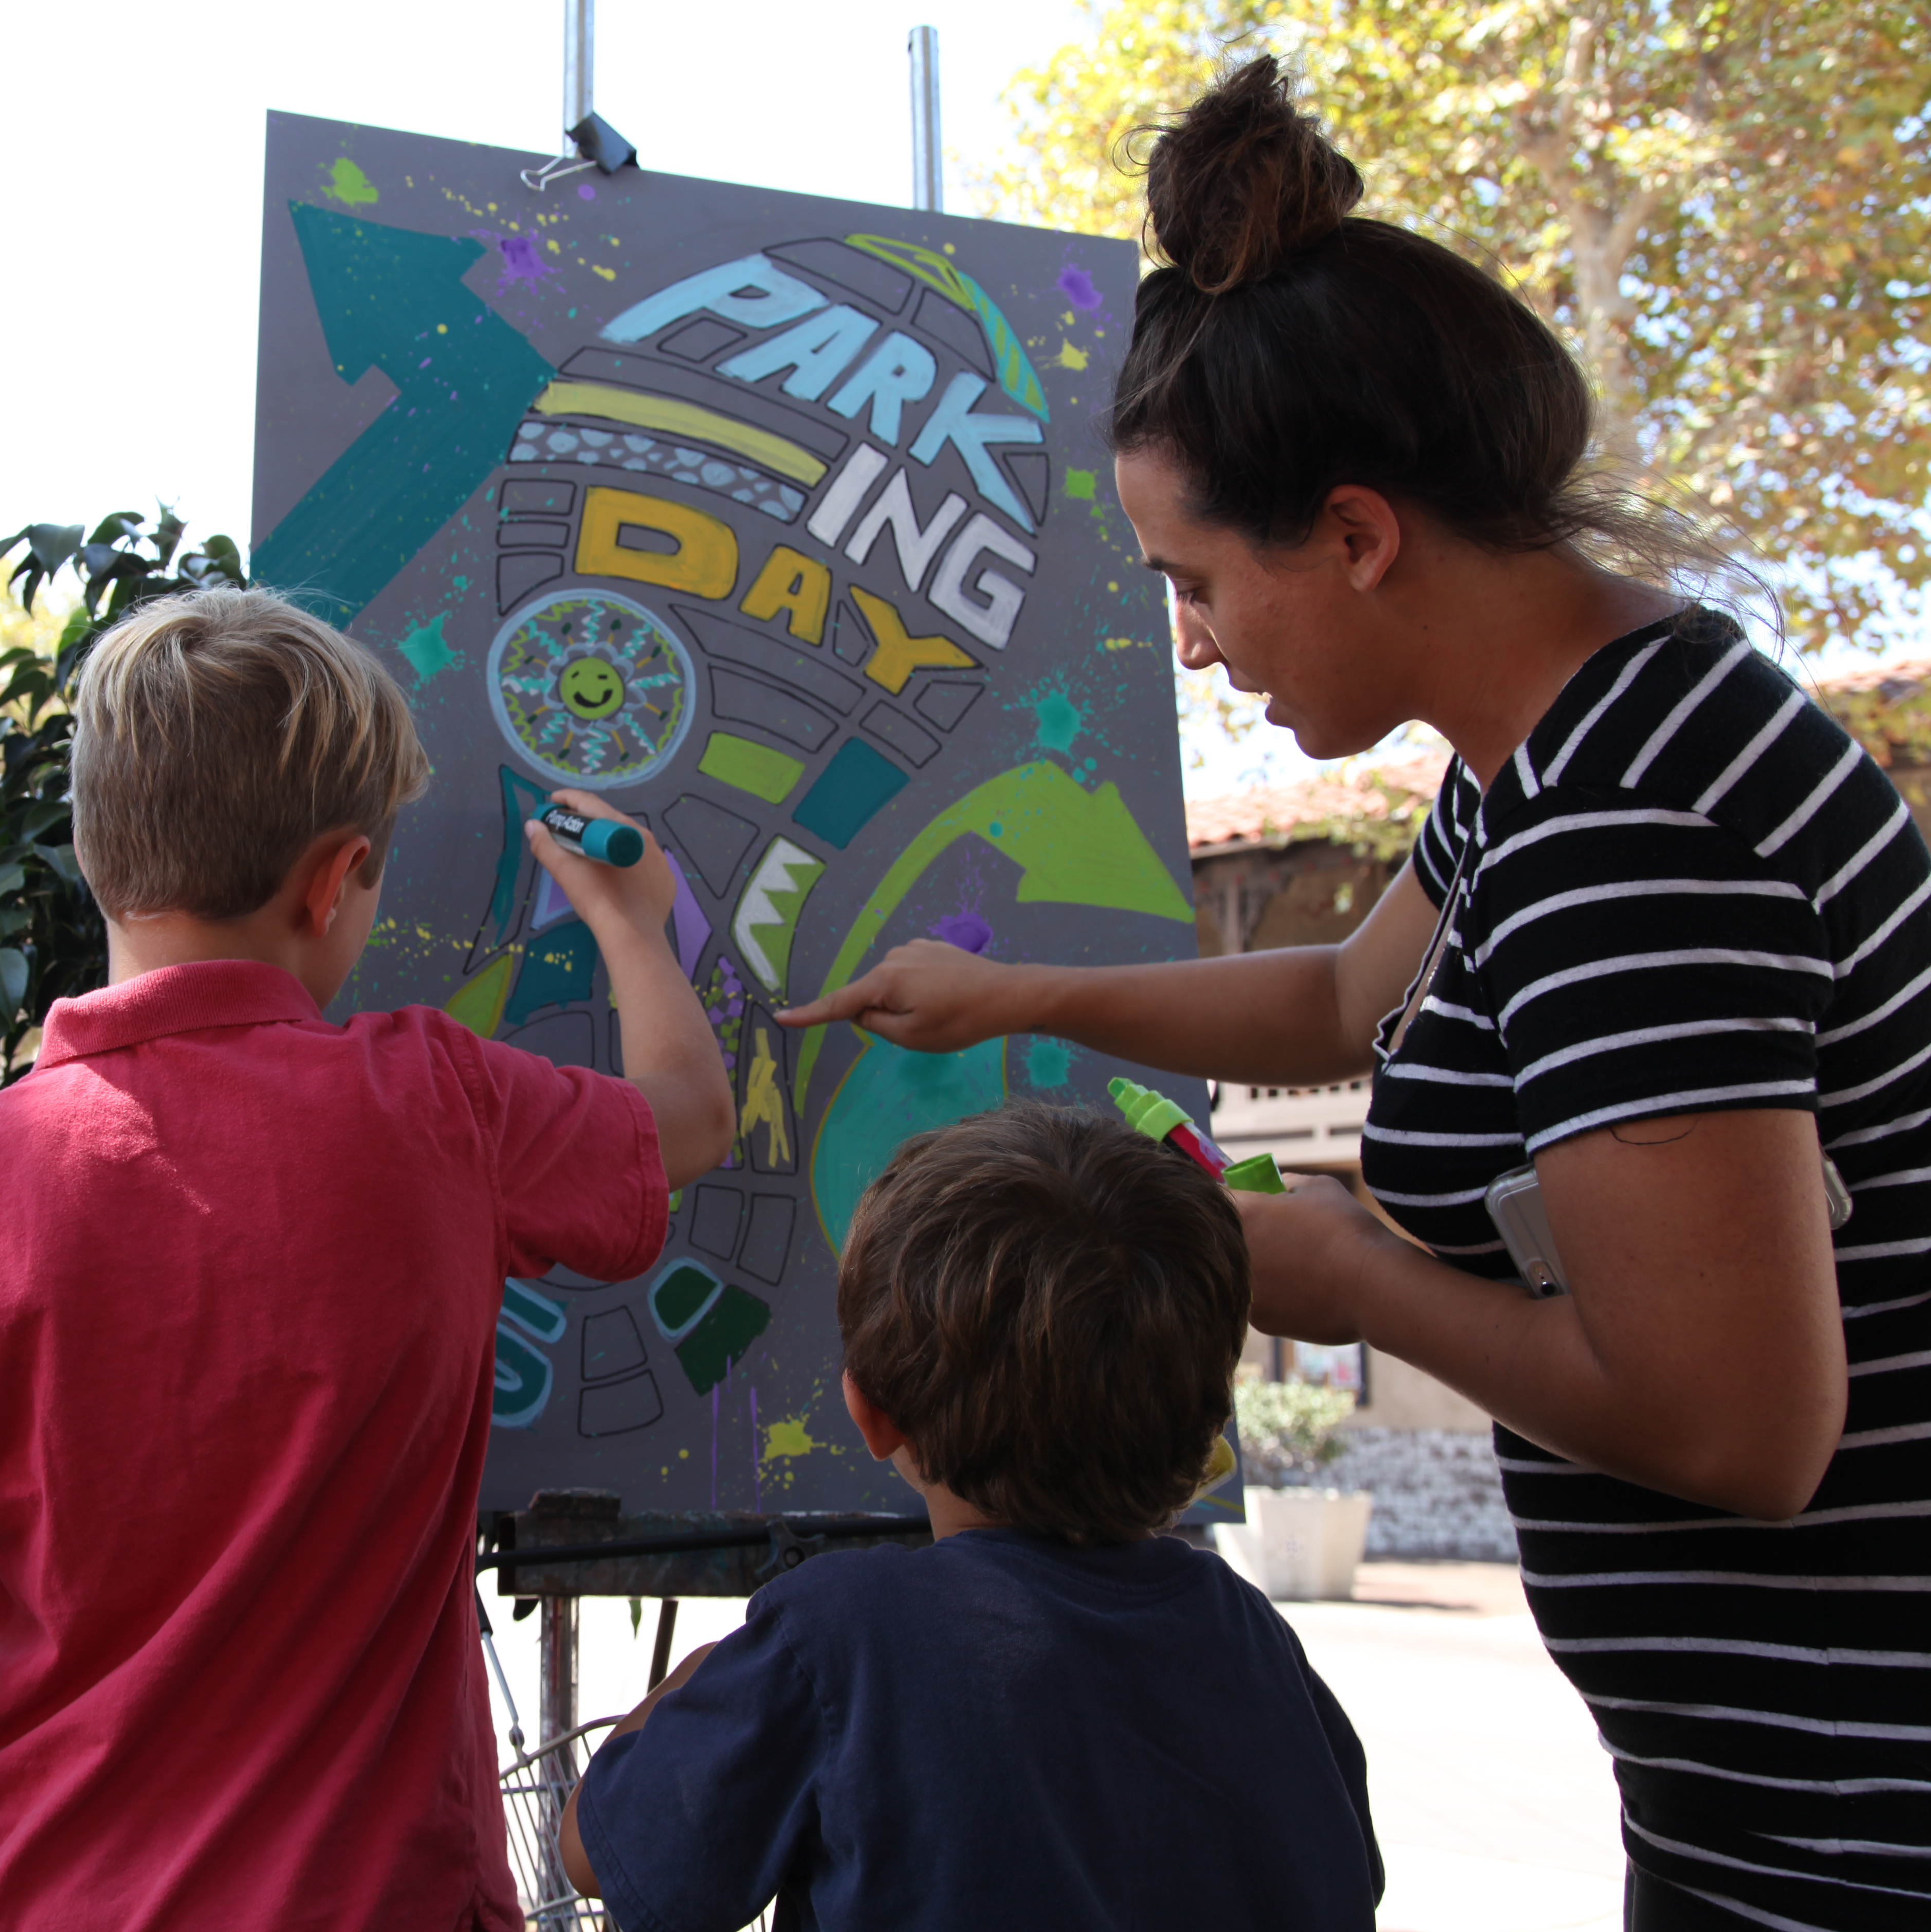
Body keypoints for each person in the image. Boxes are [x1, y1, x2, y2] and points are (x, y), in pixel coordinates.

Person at [777, 57, 1931, 1932]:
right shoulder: (1555, 755)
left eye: (1195, 582)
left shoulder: (1623, 831)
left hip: (1854, 1817)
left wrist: (1350, 1275)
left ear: (1356, 534)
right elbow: (1335, 999)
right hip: (1770, 1800)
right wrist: (1004, 995)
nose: (1190, 643)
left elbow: (1739, 1428)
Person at [0, 587, 735, 1932]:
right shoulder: (439, 1106)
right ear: (333, 880)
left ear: (98, 848)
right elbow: (690, 1117)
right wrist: (635, 921)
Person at [560, 1104, 1382, 1930]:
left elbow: (597, 1853)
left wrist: (709, 1672)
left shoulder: (836, 1641)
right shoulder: (1252, 1636)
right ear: (1206, 1425)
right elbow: (1345, 1878)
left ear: (872, 1413)